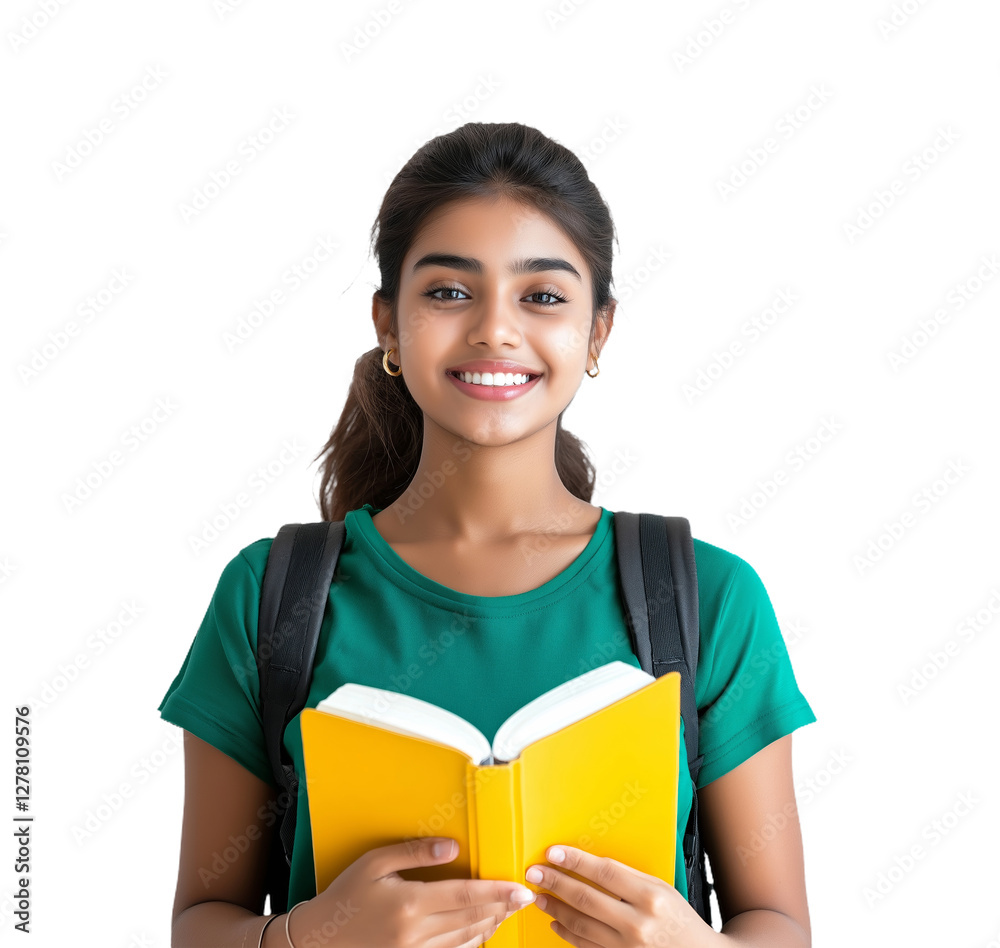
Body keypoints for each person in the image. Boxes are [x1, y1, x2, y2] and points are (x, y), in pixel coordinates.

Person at [158, 121, 816, 948]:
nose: (494, 331)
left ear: (598, 332)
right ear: (388, 325)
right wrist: (306, 938)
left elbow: (779, 923)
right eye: (447, 291)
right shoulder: (270, 595)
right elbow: (198, 923)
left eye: (542, 296)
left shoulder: (706, 598)